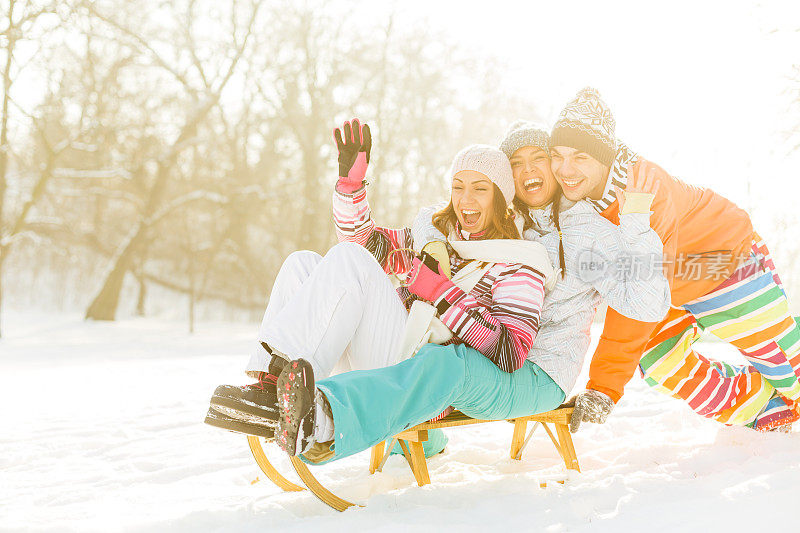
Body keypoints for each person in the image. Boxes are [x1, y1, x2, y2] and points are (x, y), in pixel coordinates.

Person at [208, 121, 555, 459]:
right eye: (458, 186)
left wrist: (439, 291)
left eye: (480, 189)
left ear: (501, 197)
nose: (466, 199)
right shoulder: (436, 239)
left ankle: (277, 393)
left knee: (349, 260)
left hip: (422, 379)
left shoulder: (518, 262)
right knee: (302, 263)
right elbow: (364, 241)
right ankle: (270, 382)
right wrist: (351, 187)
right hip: (392, 351)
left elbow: (510, 352)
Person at [552, 87, 800, 432]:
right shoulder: (574, 204)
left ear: (604, 157)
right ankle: (763, 406)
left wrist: (603, 387)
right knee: (661, 361)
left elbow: (639, 291)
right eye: (557, 155)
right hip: (671, 288)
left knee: (785, 362)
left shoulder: (646, 189)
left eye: (579, 156)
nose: (565, 168)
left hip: (725, 262)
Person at [413, 122, 671, 432]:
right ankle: (427, 439)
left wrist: (636, 222)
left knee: (435, 364)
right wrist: (432, 243)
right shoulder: (509, 221)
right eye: (516, 163)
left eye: (538, 158)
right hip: (492, 352)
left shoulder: (586, 235)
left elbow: (646, 306)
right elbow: (432, 215)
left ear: (554, 166)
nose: (527, 170)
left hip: (542, 369)